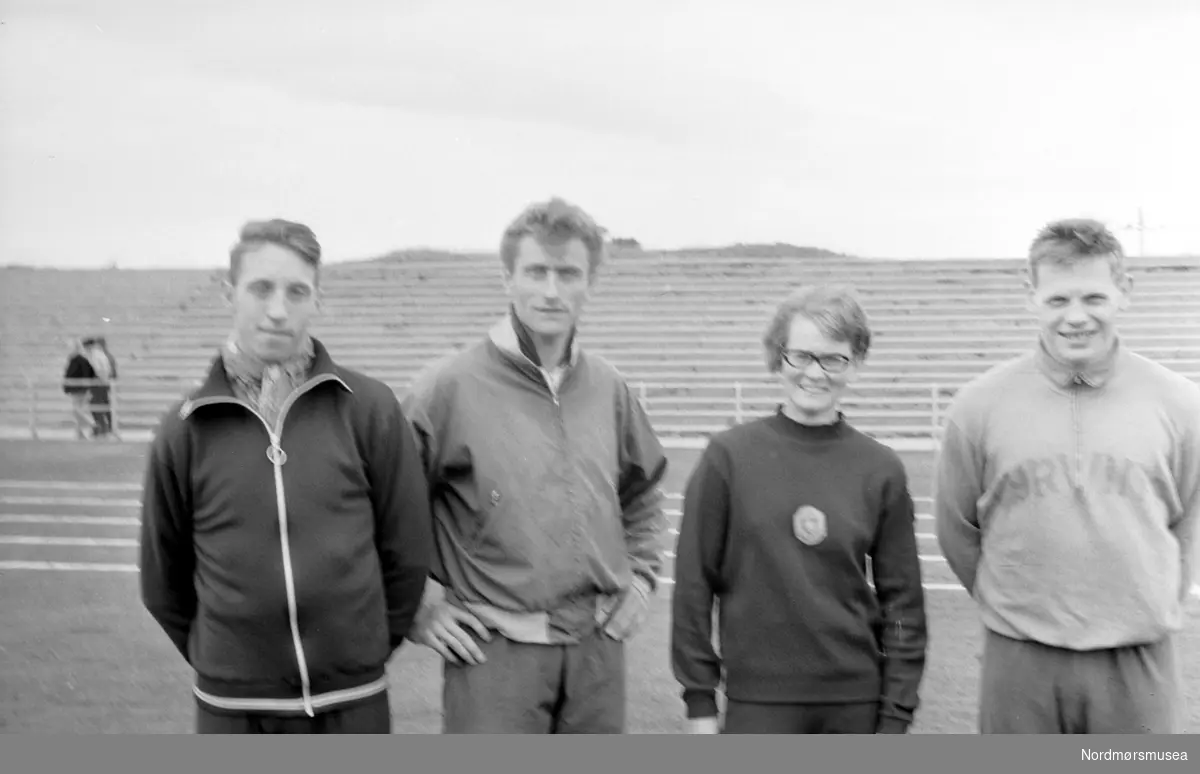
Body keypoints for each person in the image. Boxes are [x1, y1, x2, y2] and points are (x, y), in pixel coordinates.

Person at [139, 218, 434, 734]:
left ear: (317, 298)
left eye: (297, 291)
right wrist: (226, 661)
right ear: (230, 293)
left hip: (354, 699)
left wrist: (359, 652)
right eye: (261, 289)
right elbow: (163, 581)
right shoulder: (183, 429)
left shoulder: (369, 410)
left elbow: (406, 554)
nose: (278, 310)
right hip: (233, 708)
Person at [401, 196, 669, 734]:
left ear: (589, 282)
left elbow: (642, 492)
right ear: (508, 278)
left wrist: (640, 578)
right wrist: (419, 606)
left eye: (568, 273)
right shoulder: (447, 387)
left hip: (597, 649)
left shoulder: (609, 388)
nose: (551, 290)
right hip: (493, 654)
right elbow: (389, 508)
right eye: (536, 272)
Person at [935, 217, 1200, 734]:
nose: (1075, 317)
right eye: (1058, 300)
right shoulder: (979, 405)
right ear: (1030, 295)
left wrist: (1148, 602)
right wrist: (1016, 610)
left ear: (1124, 292)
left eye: (1094, 298)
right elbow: (956, 531)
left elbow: (1189, 520)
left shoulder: (1180, 403)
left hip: (1136, 660)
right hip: (1021, 661)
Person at [671, 284, 928, 735]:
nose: (815, 373)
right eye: (801, 356)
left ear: (856, 363)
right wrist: (700, 704)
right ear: (779, 357)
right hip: (758, 704)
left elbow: (903, 602)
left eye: (834, 358)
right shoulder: (728, 458)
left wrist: (895, 714)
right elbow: (693, 588)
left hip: (855, 706)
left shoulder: (880, 469)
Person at [62, 338, 97, 439]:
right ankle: (80, 432)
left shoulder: (79, 360)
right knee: (78, 411)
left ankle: (93, 424)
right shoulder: (76, 359)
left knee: (77, 410)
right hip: (76, 389)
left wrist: (85, 385)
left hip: (79, 389)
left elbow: (88, 373)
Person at [84, 336, 118, 437]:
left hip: (99, 384)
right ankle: (106, 427)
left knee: (96, 406)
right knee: (103, 406)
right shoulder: (101, 355)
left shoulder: (95, 355)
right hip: (103, 383)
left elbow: (98, 369)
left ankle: (101, 427)